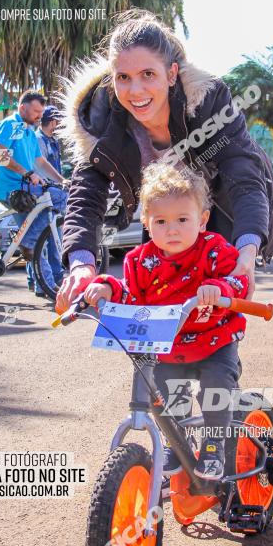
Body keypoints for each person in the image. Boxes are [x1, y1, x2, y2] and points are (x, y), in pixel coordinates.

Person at [56, 9, 273, 313]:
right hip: (163, 217)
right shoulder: (101, 123)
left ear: (172, 73)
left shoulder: (208, 103)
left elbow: (243, 174)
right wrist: (81, 265)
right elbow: (86, 197)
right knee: (155, 309)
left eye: (148, 74)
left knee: (211, 317)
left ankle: (218, 360)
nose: (135, 91)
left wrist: (246, 251)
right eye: (123, 78)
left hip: (221, 213)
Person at [83, 163, 249, 482]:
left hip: (215, 340)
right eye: (160, 221)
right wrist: (107, 287)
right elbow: (131, 293)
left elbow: (239, 282)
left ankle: (214, 445)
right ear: (146, 222)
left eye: (182, 220)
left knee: (216, 390)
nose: (172, 230)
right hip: (167, 345)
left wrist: (221, 288)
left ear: (201, 221)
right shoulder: (139, 260)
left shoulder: (214, 251)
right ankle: (178, 443)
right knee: (166, 393)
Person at [0, 90, 67, 293]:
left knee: (43, 229)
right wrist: (26, 173)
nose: (39, 116)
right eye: (35, 111)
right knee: (36, 234)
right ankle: (48, 284)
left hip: (26, 188)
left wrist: (61, 179)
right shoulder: (12, 125)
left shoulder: (29, 132)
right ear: (22, 108)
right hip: (12, 189)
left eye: (41, 112)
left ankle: (42, 283)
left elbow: (40, 162)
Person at [27, 106, 68, 297]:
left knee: (53, 237)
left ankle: (52, 279)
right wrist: (56, 182)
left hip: (51, 191)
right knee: (42, 239)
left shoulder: (52, 140)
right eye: (58, 121)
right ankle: (40, 282)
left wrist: (61, 181)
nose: (59, 125)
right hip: (43, 192)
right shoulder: (38, 139)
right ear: (52, 121)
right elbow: (40, 165)